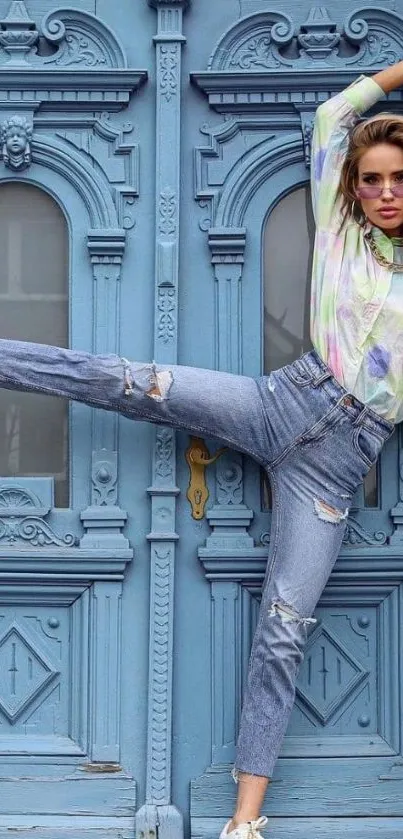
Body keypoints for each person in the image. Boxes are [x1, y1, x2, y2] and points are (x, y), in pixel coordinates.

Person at [0, 59, 403, 838]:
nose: (386, 191)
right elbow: (331, 119)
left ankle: (242, 822)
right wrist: (397, 74)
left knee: (284, 627)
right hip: (282, 397)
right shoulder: (344, 233)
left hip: (337, 464)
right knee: (128, 380)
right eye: (373, 178)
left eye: (399, 178)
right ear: (353, 188)